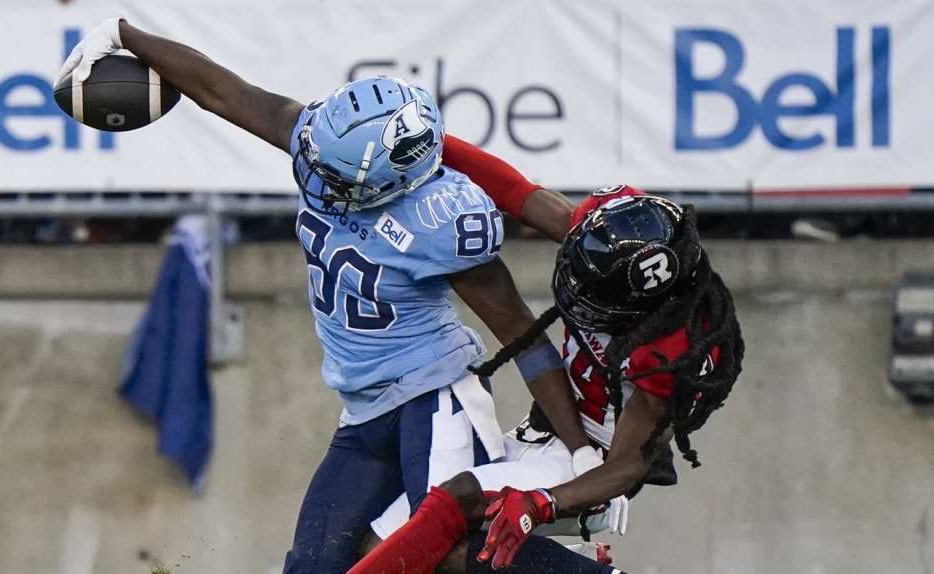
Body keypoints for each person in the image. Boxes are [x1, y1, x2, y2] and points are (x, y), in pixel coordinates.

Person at [55, 18, 592, 574]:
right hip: (363, 408)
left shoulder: (439, 219)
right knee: (312, 566)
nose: (314, 177)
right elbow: (223, 90)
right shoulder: (329, 149)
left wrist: (579, 453)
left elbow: (522, 336)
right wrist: (123, 34)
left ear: (388, 181)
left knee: (453, 559)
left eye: (334, 176)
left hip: (436, 402)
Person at [347, 138, 745, 573]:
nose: (576, 289)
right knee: (383, 544)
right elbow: (513, 190)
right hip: (547, 432)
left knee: (456, 502)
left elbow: (630, 464)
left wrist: (545, 502)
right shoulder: (611, 240)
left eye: (594, 295)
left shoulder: (676, 348)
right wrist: (425, 144)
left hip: (600, 466)